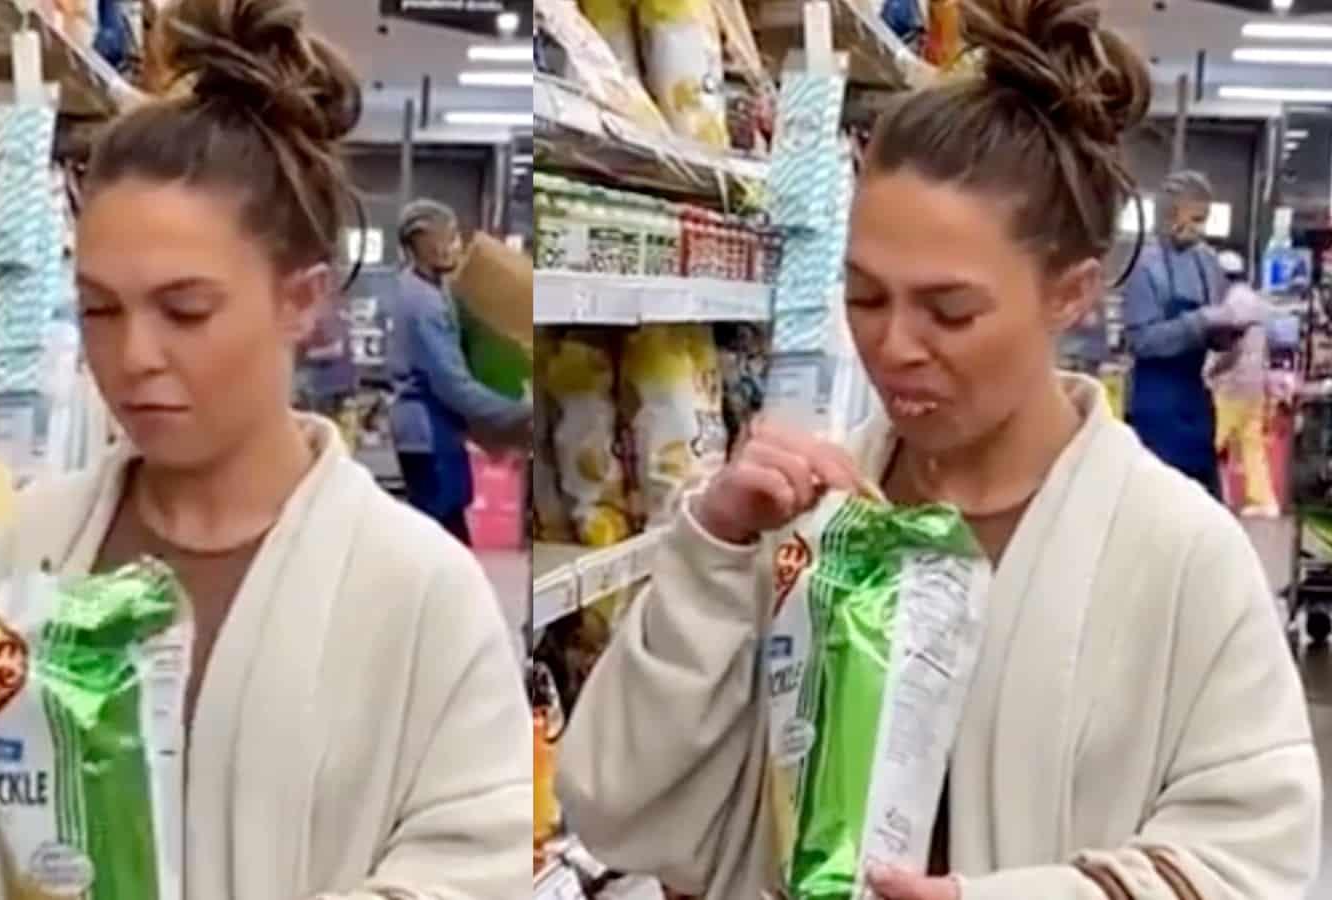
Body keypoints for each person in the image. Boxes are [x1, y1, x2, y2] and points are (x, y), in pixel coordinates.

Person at [557, 2, 1320, 899]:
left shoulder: (1178, 554)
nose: (895, 346)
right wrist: (712, 558)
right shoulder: (806, 518)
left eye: (949, 311)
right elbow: (616, 809)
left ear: (1070, 294)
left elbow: (1252, 864)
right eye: (866, 298)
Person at [0, 2, 530, 898]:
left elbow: (471, 866)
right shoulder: (18, 555)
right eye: (99, 309)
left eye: (185, 310)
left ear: (303, 299)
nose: (132, 357)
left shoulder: (421, 596)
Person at [386, 198, 531, 543]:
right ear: (421, 242)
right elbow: (452, 385)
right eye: (447, 238)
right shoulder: (424, 304)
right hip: (428, 435)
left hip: (432, 433)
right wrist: (517, 413)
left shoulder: (429, 289)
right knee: (444, 538)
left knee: (443, 534)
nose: (457, 247)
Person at [1124, 169, 1243, 496]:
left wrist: (1227, 334)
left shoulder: (1207, 263)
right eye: (1193, 218)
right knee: (1157, 500)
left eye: (1203, 219)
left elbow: (1215, 327)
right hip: (1155, 402)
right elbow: (1140, 341)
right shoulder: (1145, 266)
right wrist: (1198, 323)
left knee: (1204, 503)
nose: (1198, 229)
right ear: (1169, 213)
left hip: (1194, 401)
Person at [1208, 249, 1279, 517]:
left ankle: (1212, 496)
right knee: (1252, 444)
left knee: (1211, 443)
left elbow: (1227, 348)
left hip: (1230, 385)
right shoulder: (1256, 302)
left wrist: (1211, 372)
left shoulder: (1230, 305)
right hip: (1254, 385)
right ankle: (1264, 501)